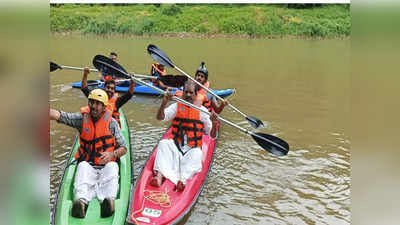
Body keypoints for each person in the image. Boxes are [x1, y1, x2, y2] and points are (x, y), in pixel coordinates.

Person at [49, 89, 127, 218]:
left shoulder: (112, 123)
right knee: (82, 166)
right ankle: (81, 202)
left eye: (97, 103)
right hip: (89, 164)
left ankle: (108, 202)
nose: (93, 106)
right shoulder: (81, 119)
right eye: (91, 102)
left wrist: (112, 154)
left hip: (106, 165)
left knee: (113, 168)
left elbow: (123, 148)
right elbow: (60, 116)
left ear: (104, 107)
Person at [150, 81, 218, 192]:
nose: (188, 95)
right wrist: (163, 103)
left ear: (196, 94)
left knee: (197, 154)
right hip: (176, 145)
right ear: (183, 93)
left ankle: (183, 180)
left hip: (192, 148)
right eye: (186, 92)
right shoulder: (177, 106)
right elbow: (160, 118)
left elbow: (212, 135)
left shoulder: (203, 111)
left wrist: (214, 124)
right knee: (163, 144)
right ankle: (159, 176)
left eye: (191, 93)